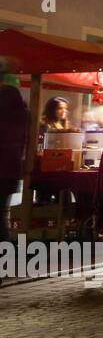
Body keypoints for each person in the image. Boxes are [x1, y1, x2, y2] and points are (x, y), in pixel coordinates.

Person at [0, 84, 31, 242]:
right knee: (2, 212)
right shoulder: (24, 117)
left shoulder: (5, 117)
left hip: (3, 169)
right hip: (12, 171)